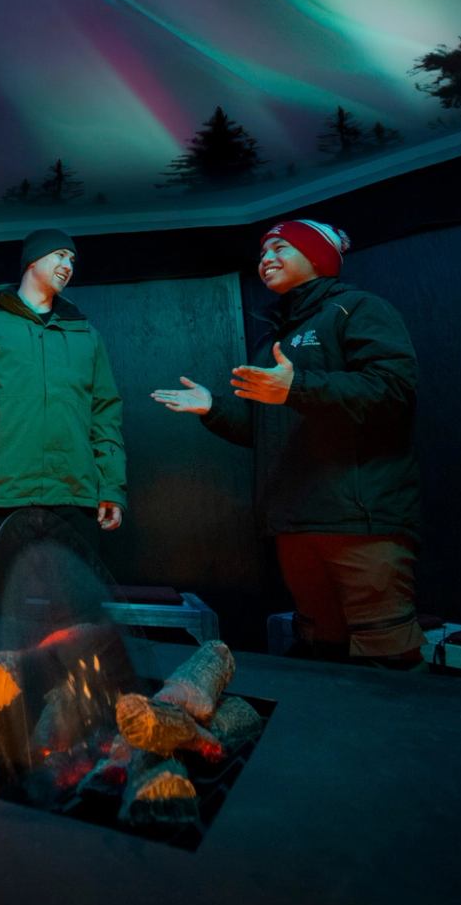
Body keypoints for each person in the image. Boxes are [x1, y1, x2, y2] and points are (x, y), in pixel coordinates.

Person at [152, 219, 424, 668]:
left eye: (280, 248)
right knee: (321, 651)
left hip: (361, 522)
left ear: (317, 256)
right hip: (294, 524)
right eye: (261, 254)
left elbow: (393, 392)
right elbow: (265, 429)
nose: (266, 260)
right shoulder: (271, 341)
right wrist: (212, 408)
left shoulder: (356, 310)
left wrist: (297, 388)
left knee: (387, 658)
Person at [0, 228, 127, 559]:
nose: (68, 264)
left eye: (72, 259)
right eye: (59, 254)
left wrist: (112, 487)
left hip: (75, 499)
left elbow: (105, 415)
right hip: (1, 498)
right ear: (32, 260)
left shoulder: (86, 334)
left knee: (77, 607)